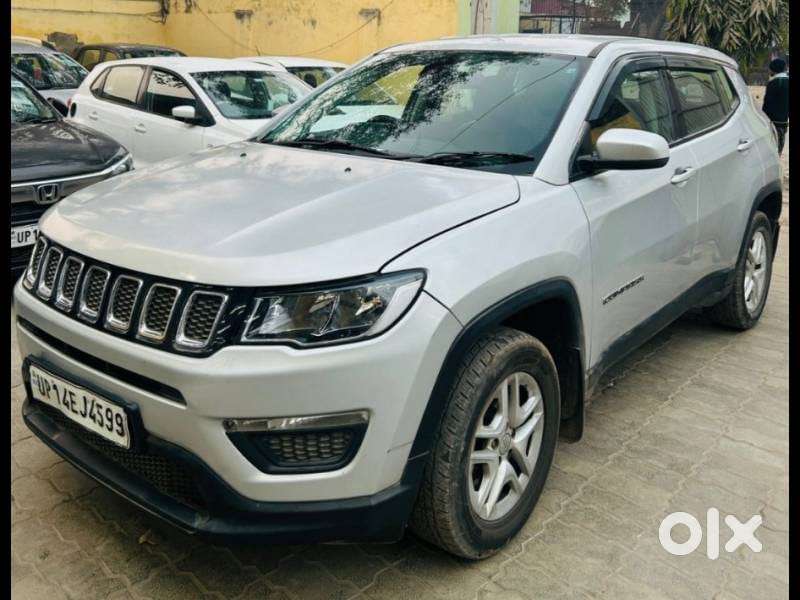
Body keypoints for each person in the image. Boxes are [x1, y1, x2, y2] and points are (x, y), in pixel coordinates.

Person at [762, 57, 790, 155]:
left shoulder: (773, 83)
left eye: (770, 69)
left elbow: (766, 104)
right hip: (783, 122)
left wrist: (762, 119)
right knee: (779, 149)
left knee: (771, 151)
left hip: (772, 123)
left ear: (774, 69)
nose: (769, 71)